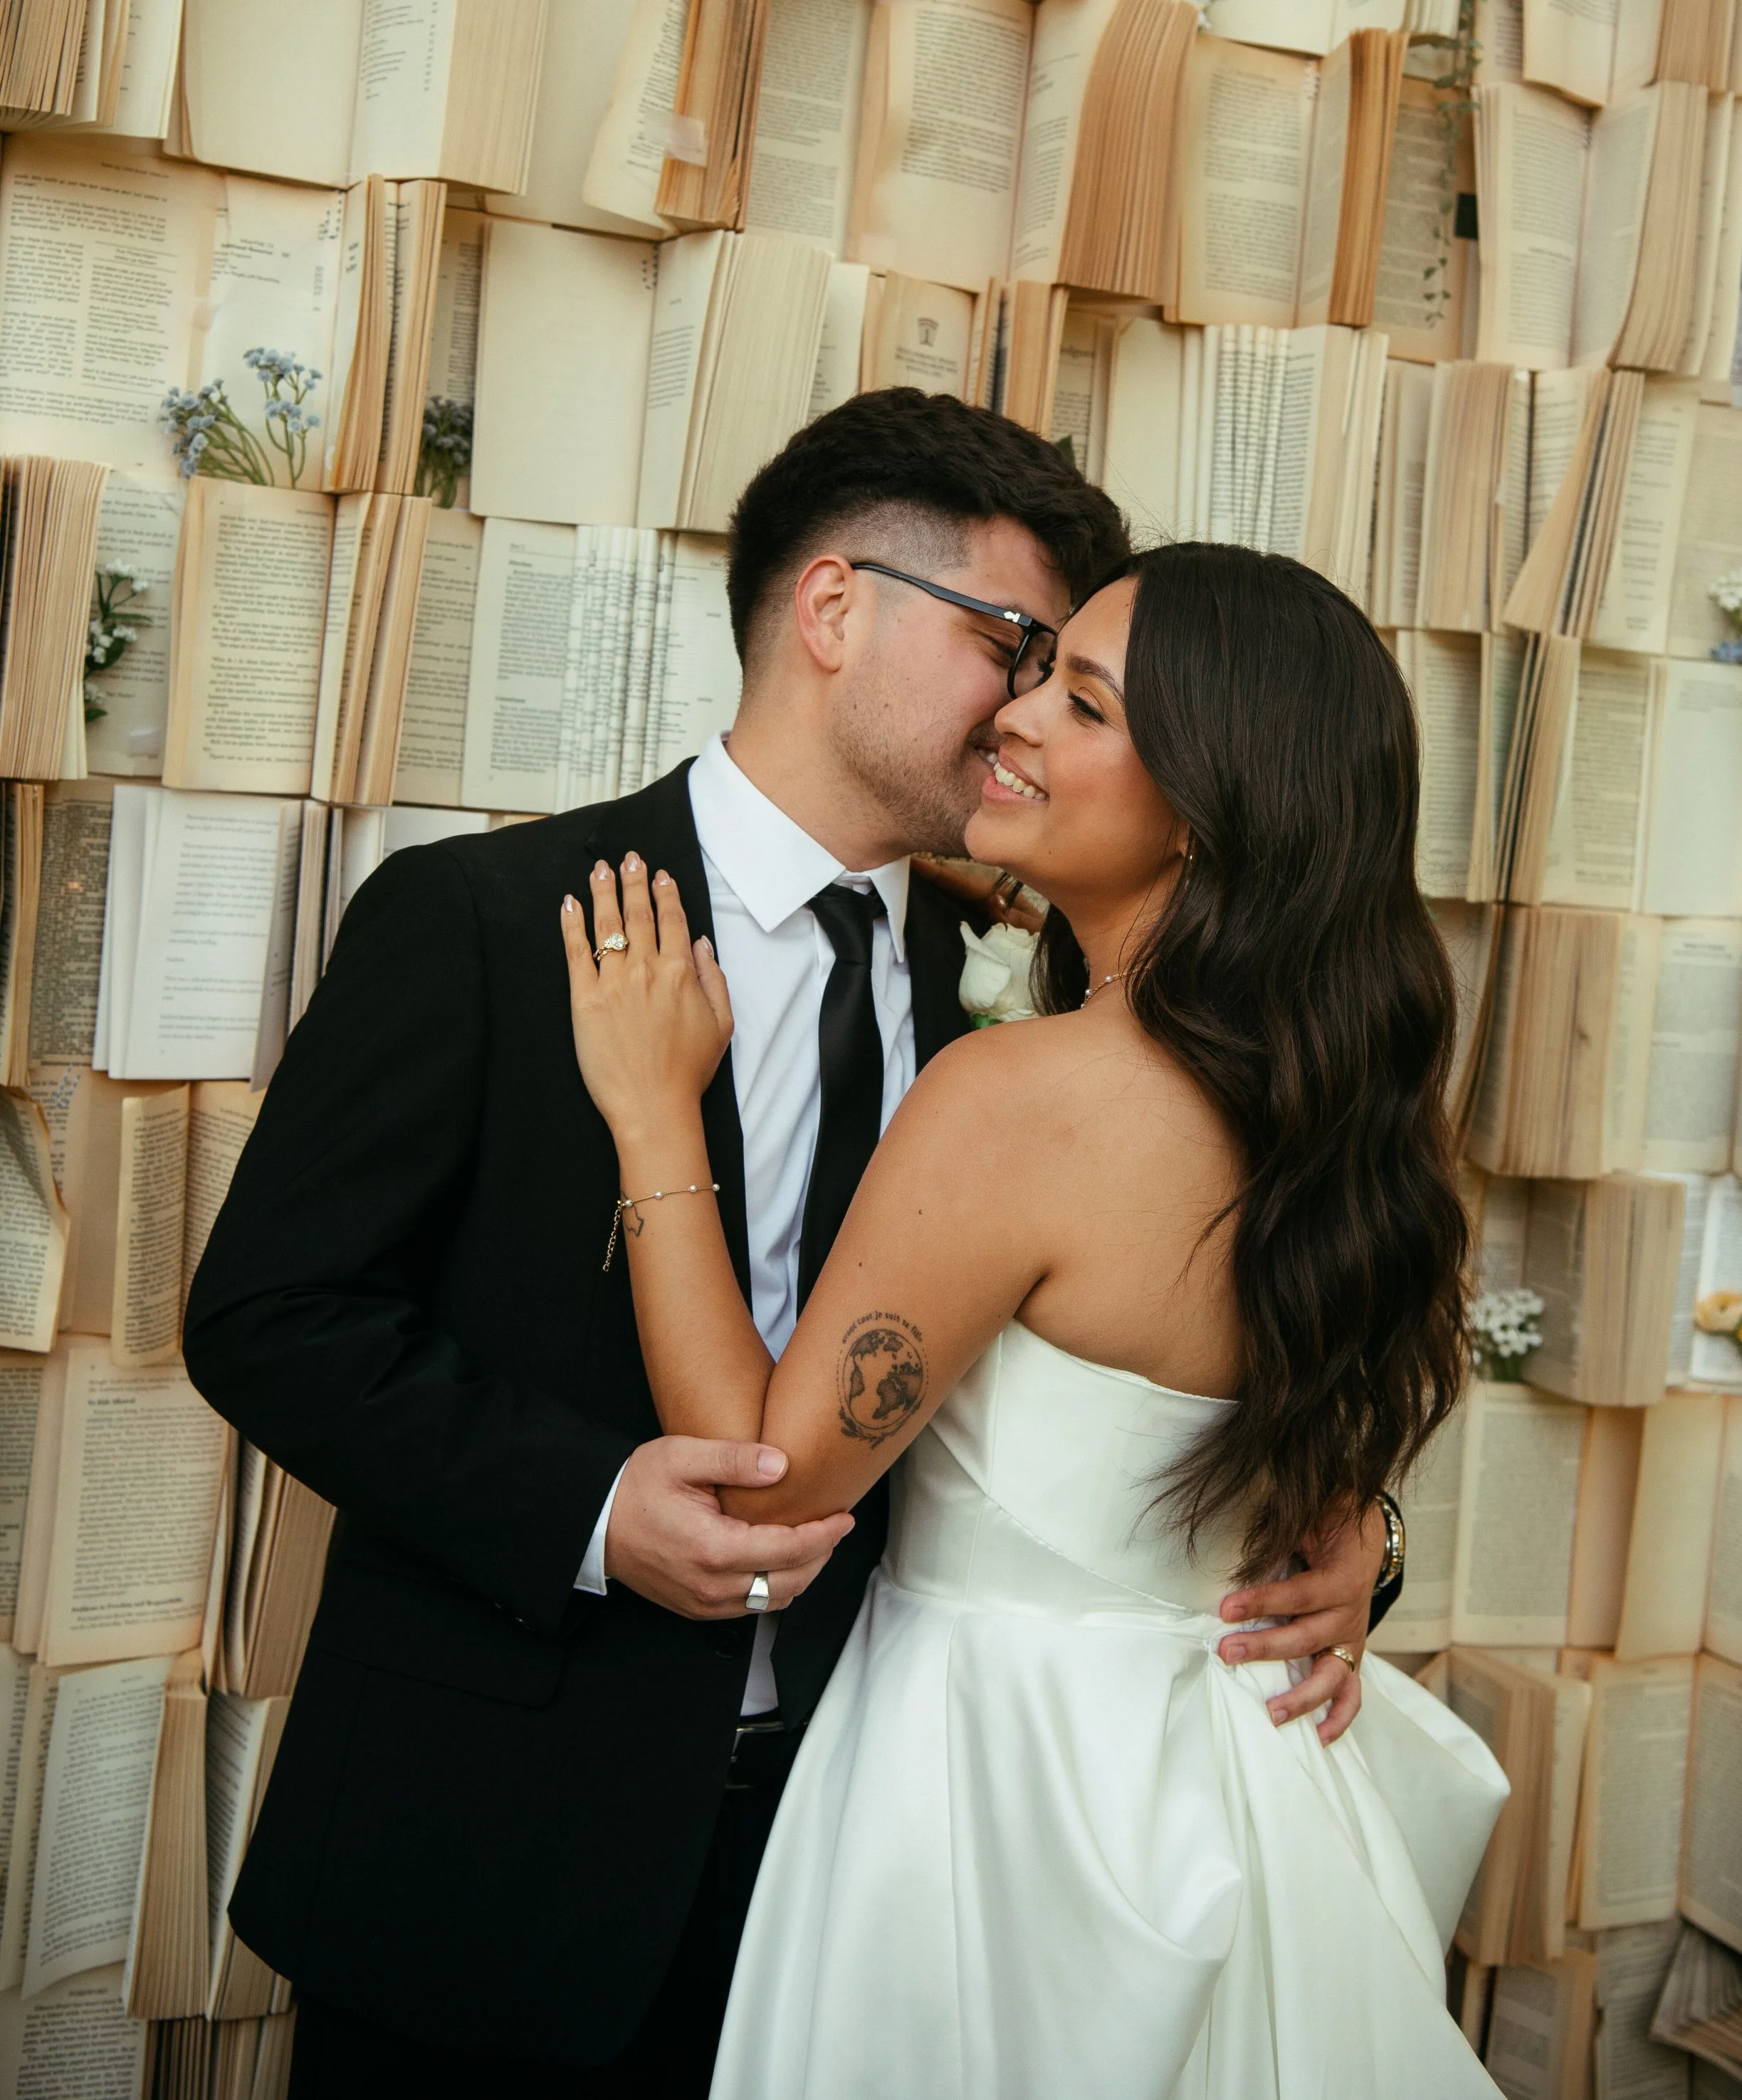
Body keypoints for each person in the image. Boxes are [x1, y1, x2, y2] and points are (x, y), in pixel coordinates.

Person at [182, 395, 1402, 2099]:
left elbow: (1139, 1359)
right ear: (831, 611)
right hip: (489, 1853)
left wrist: (1331, 1545)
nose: (1025, 704)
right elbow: (268, 1320)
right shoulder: (484, 923)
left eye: (1067, 673)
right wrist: (595, 1513)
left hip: (875, 1871)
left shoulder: (1025, 993)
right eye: (1010, 643)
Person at [560, 539, 1508, 2100]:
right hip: (1240, 1797)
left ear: (1209, 803)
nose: (1011, 714)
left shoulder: (1022, 1097)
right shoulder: (1337, 1119)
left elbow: (766, 1479)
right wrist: (1366, 1540)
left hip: (995, 1804)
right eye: (1034, 668)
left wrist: (660, 1118)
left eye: (1079, 702)